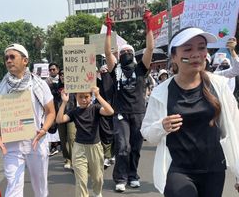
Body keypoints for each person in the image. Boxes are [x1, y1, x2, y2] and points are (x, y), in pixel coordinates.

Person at [141, 27, 239, 196]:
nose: (196, 54)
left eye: (201, 47)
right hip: (178, 170)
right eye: (188, 49)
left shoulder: (219, 85)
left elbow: (235, 128)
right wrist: (162, 126)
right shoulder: (161, 92)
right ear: (174, 57)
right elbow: (147, 132)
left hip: (213, 169)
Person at [0, 43, 55, 197]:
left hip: (36, 143)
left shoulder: (39, 84)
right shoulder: (1, 87)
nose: (8, 60)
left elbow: (51, 112)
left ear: (25, 60)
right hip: (12, 146)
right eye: (6, 58)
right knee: (13, 188)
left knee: (40, 188)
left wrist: (44, 130)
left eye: (12, 57)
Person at [104, 10, 154, 191]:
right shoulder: (116, 70)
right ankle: (120, 178)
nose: (125, 53)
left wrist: (148, 25)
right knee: (123, 146)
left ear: (133, 54)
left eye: (128, 51)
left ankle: (133, 175)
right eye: (122, 51)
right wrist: (109, 29)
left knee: (135, 147)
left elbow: (149, 49)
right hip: (121, 114)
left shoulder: (141, 68)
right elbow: (107, 52)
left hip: (139, 113)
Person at [56, 86, 114, 197]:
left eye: (86, 97)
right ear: (76, 97)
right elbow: (59, 120)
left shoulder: (96, 108)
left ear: (90, 97)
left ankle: (97, 193)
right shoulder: (74, 111)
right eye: (80, 97)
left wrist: (98, 95)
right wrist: (64, 102)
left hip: (95, 148)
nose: (83, 99)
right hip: (79, 148)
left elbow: (110, 111)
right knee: (81, 180)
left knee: (98, 178)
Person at [56, 69, 77, 169]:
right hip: (60, 116)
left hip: (71, 115)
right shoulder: (55, 87)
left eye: (65, 74)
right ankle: (67, 158)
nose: (63, 76)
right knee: (63, 139)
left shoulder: (74, 86)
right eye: (61, 74)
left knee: (72, 138)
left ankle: (73, 160)